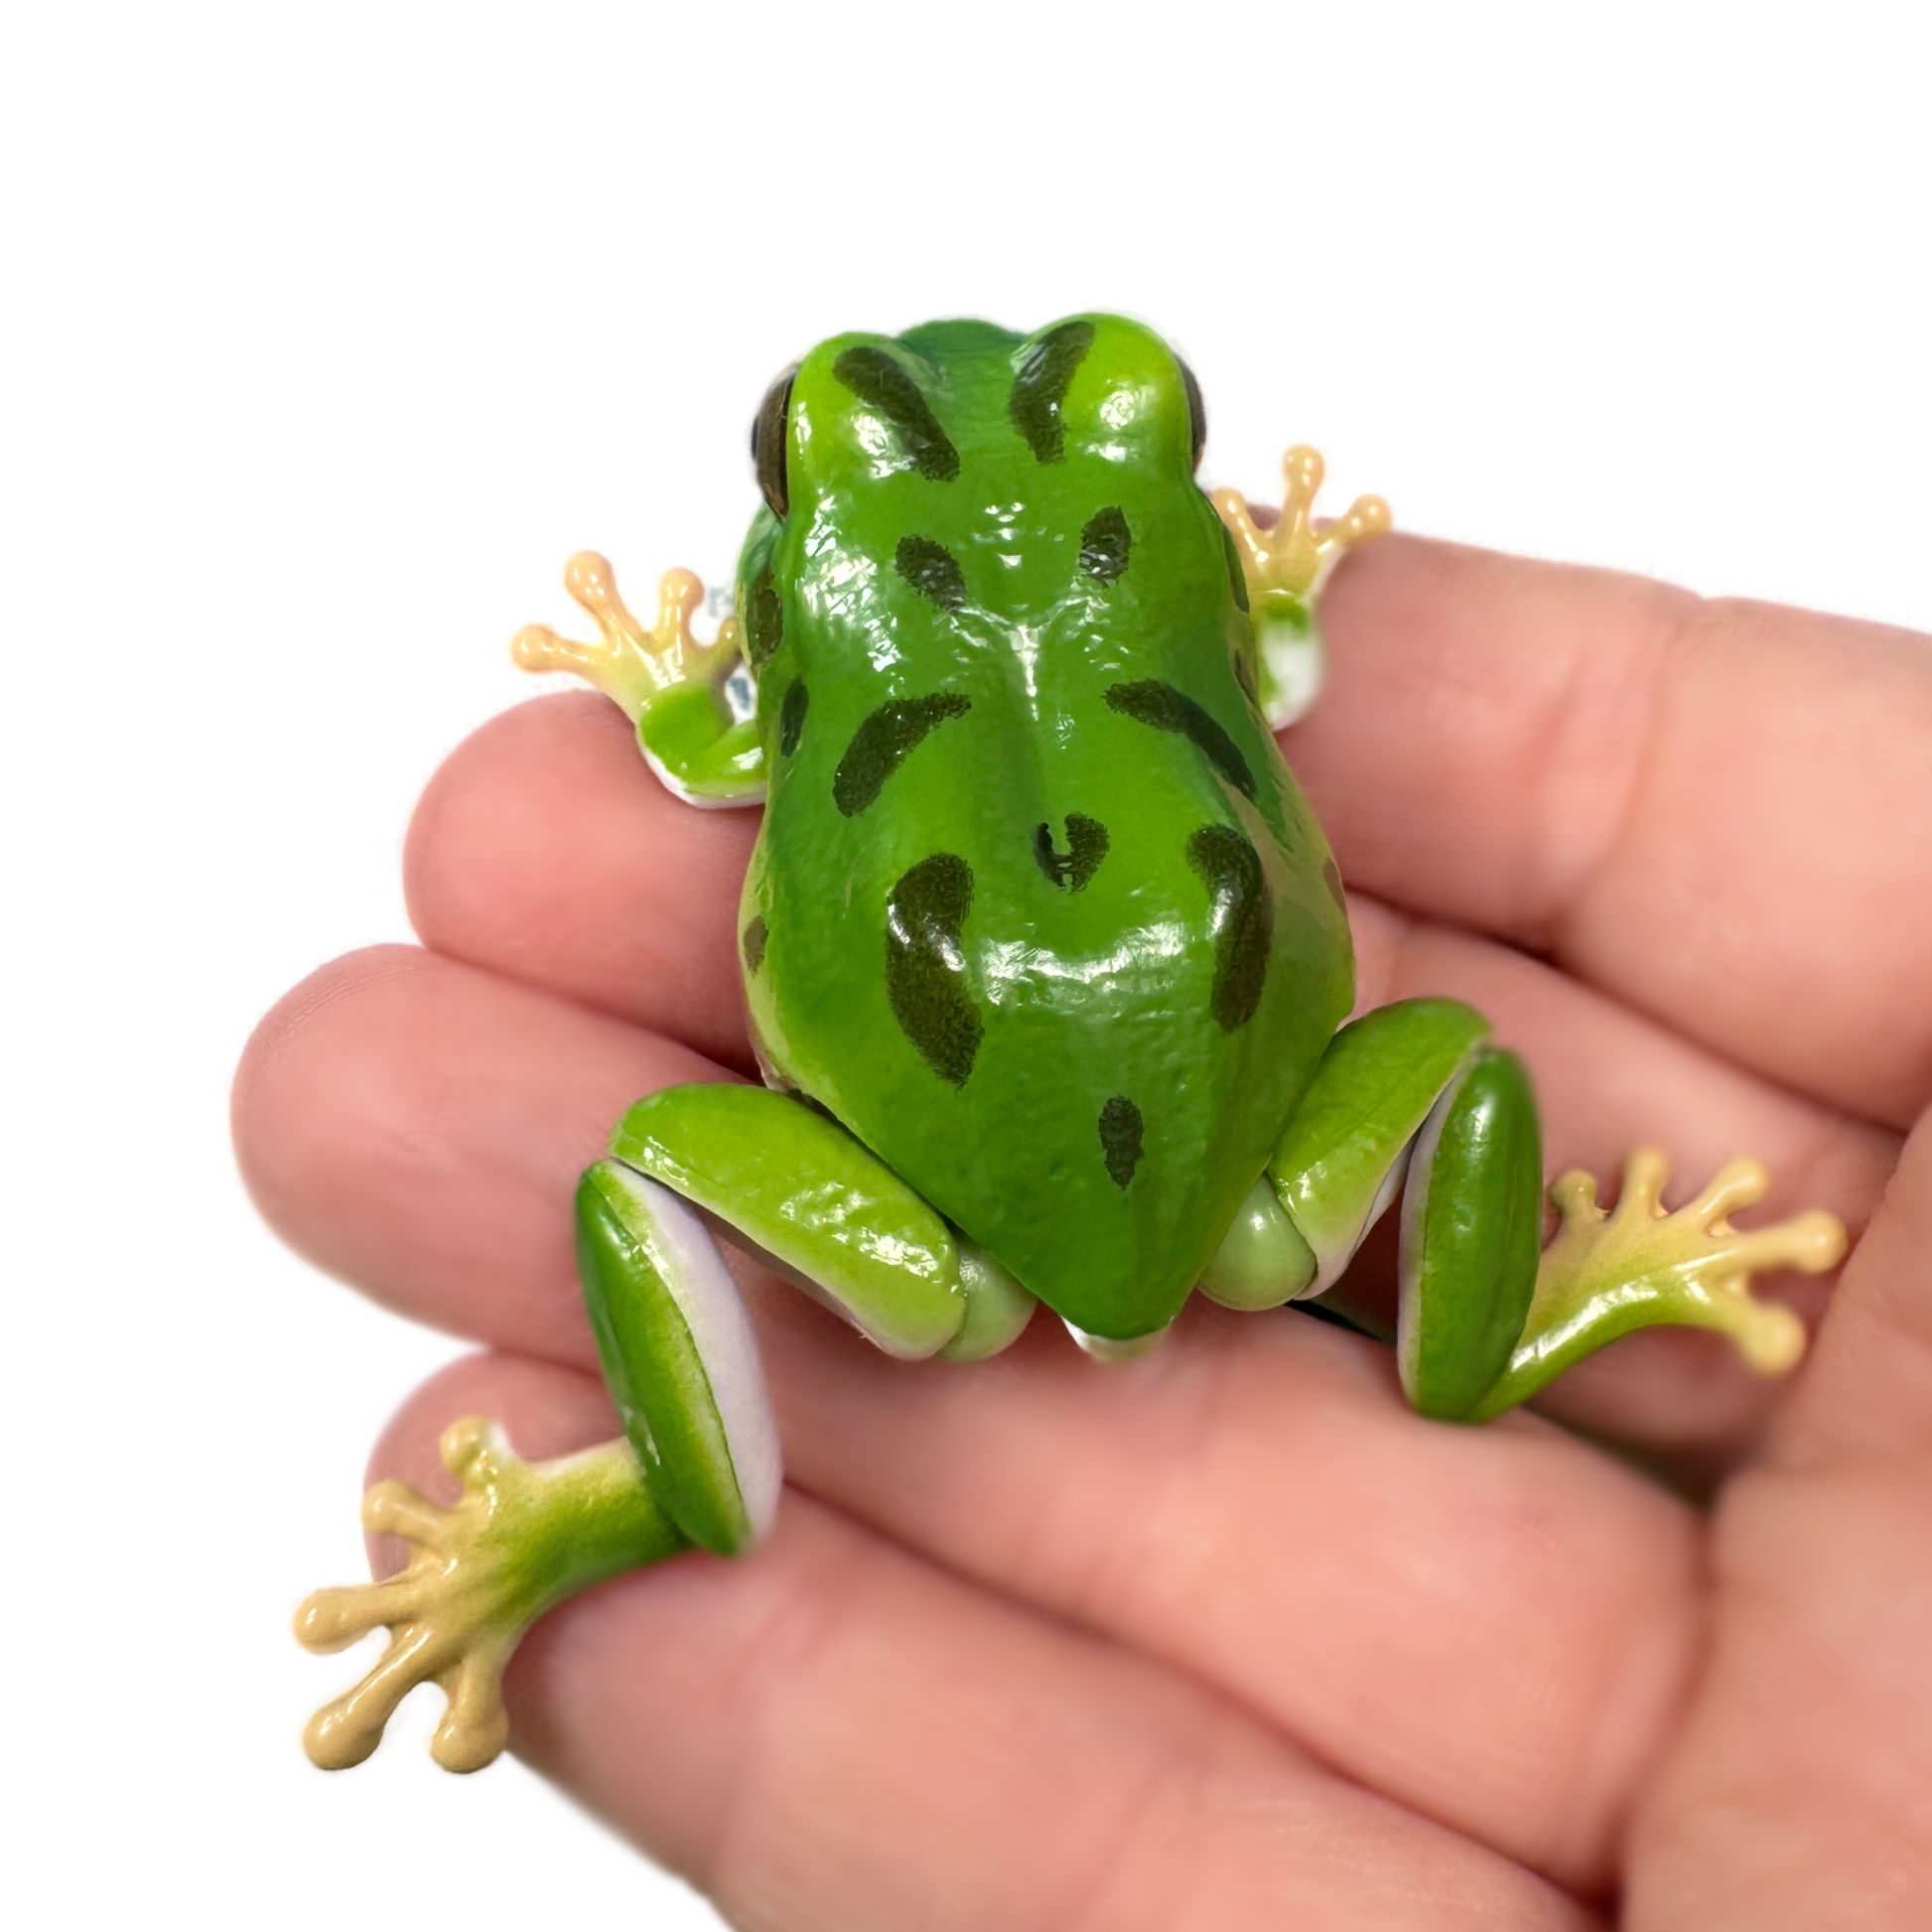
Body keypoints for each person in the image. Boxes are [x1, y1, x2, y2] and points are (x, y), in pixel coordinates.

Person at [233, 533, 1930, 1929]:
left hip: (934, 1268)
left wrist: (659, 679)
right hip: (1258, 1218)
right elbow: (1287, 668)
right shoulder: (1200, 619)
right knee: (1462, 1067)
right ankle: (1505, 1332)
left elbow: (700, 750)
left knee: (640, 1163)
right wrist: (1272, 592)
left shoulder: (805, 658)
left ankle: (649, 1488)